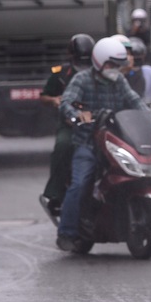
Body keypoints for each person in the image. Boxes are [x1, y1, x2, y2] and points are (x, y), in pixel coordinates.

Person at [55, 37, 150, 251]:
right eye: (110, 65)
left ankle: (149, 227)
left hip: (116, 142)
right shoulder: (82, 79)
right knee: (80, 183)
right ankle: (66, 232)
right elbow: (67, 102)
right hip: (88, 142)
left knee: (139, 174)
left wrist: (150, 117)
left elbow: (135, 101)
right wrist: (75, 115)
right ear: (98, 62)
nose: (114, 70)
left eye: (117, 66)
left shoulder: (119, 82)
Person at [38, 33, 95, 221]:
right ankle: (55, 194)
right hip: (72, 124)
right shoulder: (61, 74)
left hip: (97, 123)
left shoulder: (101, 73)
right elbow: (46, 97)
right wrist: (56, 101)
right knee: (63, 146)